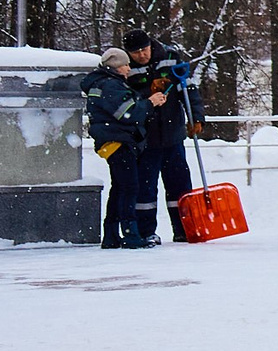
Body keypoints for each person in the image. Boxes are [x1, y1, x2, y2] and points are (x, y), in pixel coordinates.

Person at [121, 29, 205, 243]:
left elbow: (188, 88)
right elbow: (124, 98)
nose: (142, 55)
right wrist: (146, 93)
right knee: (145, 188)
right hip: (145, 138)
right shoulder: (126, 68)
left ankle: (184, 228)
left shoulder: (170, 58)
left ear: (150, 44)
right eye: (136, 52)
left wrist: (196, 117)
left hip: (172, 134)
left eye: (144, 49)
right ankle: (146, 231)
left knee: (180, 186)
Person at [85, 47, 152, 249]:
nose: (129, 68)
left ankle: (112, 234)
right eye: (125, 64)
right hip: (118, 142)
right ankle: (130, 234)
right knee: (129, 187)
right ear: (116, 67)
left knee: (119, 187)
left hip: (112, 141)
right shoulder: (111, 86)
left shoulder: (102, 84)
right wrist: (150, 103)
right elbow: (127, 113)